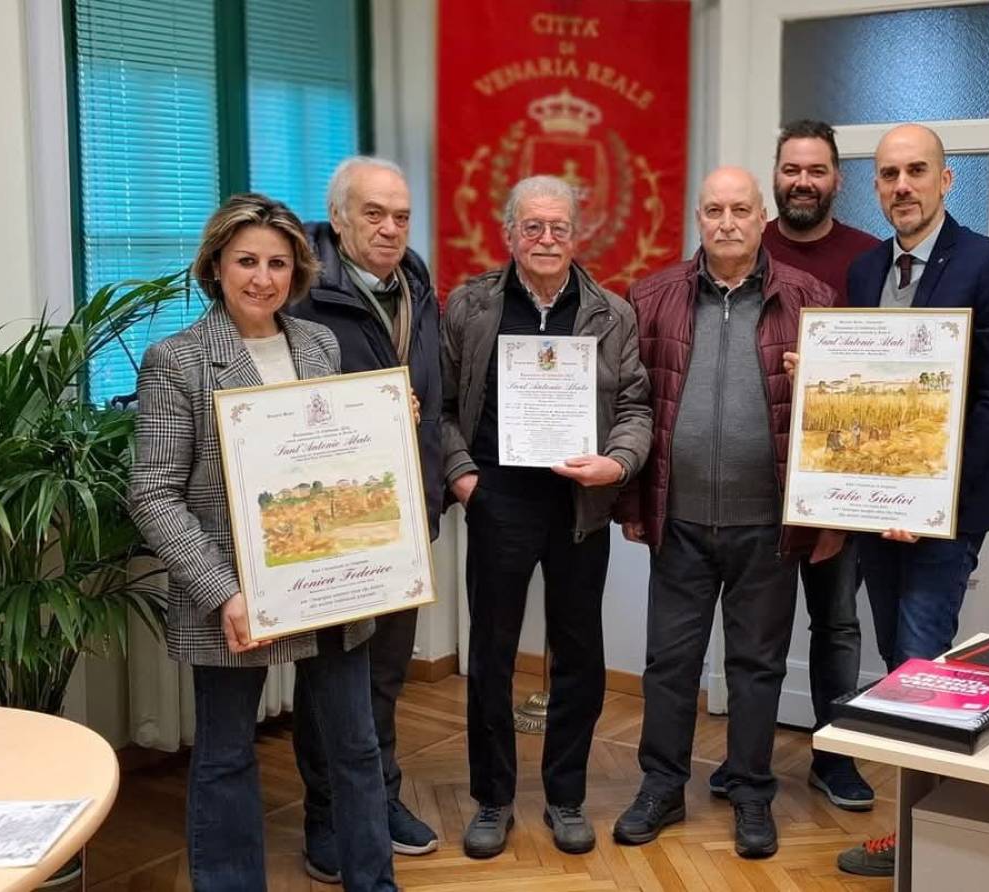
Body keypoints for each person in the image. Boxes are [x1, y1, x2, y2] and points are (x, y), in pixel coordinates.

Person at [128, 193, 400, 891]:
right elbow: (153, 494)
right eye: (246, 260)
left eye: (278, 263)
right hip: (234, 595)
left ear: (298, 272)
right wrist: (225, 592)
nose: (262, 278)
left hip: (332, 585)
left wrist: (386, 429)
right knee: (225, 757)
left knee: (357, 748)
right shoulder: (178, 360)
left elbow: (336, 465)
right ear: (215, 266)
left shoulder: (319, 345)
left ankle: (375, 881)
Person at [611, 167, 838, 859]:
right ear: (698, 216)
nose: (728, 222)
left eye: (741, 208)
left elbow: (842, 420)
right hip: (677, 520)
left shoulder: (811, 298)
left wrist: (825, 512)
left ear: (762, 215)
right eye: (714, 209)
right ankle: (661, 788)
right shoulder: (652, 296)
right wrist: (630, 503)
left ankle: (751, 792)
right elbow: (632, 403)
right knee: (669, 663)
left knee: (757, 666)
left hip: (768, 524)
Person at [832, 123, 989, 877]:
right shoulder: (861, 272)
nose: (901, 187)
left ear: (947, 180)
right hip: (871, 508)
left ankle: (923, 843)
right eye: (888, 175)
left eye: (917, 171)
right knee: (900, 661)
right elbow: (862, 390)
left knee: (921, 658)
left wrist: (930, 500)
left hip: (942, 513)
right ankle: (939, 826)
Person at [441, 175, 652, 858]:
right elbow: (441, 406)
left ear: (576, 234)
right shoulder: (470, 306)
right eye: (532, 226)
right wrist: (465, 480)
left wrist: (617, 465)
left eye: (559, 227)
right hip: (498, 499)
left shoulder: (612, 314)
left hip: (577, 505)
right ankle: (492, 800)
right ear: (509, 232)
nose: (546, 239)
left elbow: (636, 409)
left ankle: (566, 797)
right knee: (492, 655)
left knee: (580, 656)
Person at [712, 120, 883, 810]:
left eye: (816, 170)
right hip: (756, 483)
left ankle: (834, 756)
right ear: (773, 177)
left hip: (836, 476)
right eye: (791, 169)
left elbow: (888, 369)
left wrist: (834, 375)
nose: (802, 182)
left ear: (837, 179)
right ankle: (744, 763)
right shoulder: (746, 244)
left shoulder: (868, 260)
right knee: (754, 632)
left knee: (837, 622)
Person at [286, 156, 442, 879]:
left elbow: (432, 398)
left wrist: (436, 491)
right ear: (339, 217)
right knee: (330, 684)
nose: (390, 227)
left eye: (401, 214)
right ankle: (326, 818)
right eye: (374, 213)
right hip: (331, 524)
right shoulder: (303, 289)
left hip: (404, 517)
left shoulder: (415, 280)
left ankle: (378, 799)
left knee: (383, 675)